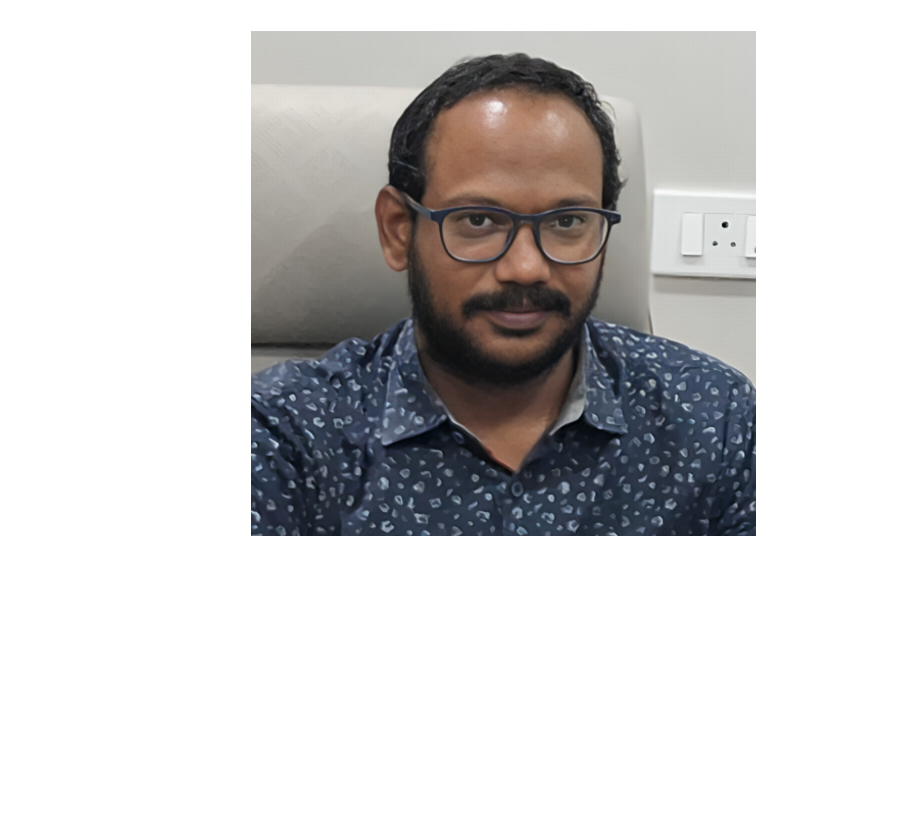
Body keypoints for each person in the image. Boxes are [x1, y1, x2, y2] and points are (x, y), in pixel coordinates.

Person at [251, 53, 755, 535]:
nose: (526, 269)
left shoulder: (715, 419)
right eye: (478, 220)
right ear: (399, 230)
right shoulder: (287, 432)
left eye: (567, 222)